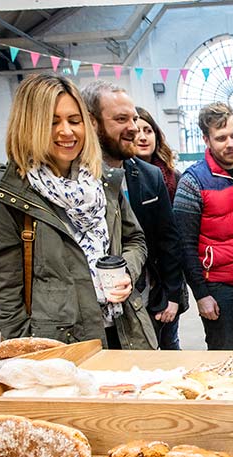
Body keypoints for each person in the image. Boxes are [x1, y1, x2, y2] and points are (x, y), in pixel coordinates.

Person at [0, 74, 155, 349]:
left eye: (74, 121)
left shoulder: (103, 180)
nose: (67, 131)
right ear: (29, 126)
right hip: (60, 344)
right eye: (52, 122)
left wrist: (126, 272)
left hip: (124, 330)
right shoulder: (9, 193)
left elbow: (135, 240)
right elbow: (1, 283)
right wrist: (26, 344)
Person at [80, 82, 184, 350]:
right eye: (121, 119)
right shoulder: (75, 182)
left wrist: (173, 295)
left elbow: (167, 239)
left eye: (135, 119)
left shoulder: (149, 176)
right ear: (92, 122)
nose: (134, 128)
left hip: (145, 298)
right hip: (90, 312)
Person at [173, 102, 233, 350]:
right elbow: (185, 245)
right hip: (219, 285)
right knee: (223, 354)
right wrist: (201, 294)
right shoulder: (193, 181)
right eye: (221, 138)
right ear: (207, 139)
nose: (230, 143)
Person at [132, 105, 188, 349]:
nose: (143, 137)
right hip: (137, 274)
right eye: (136, 131)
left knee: (169, 341)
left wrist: (173, 292)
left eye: (148, 130)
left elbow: (173, 237)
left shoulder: (171, 177)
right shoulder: (119, 176)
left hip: (167, 276)